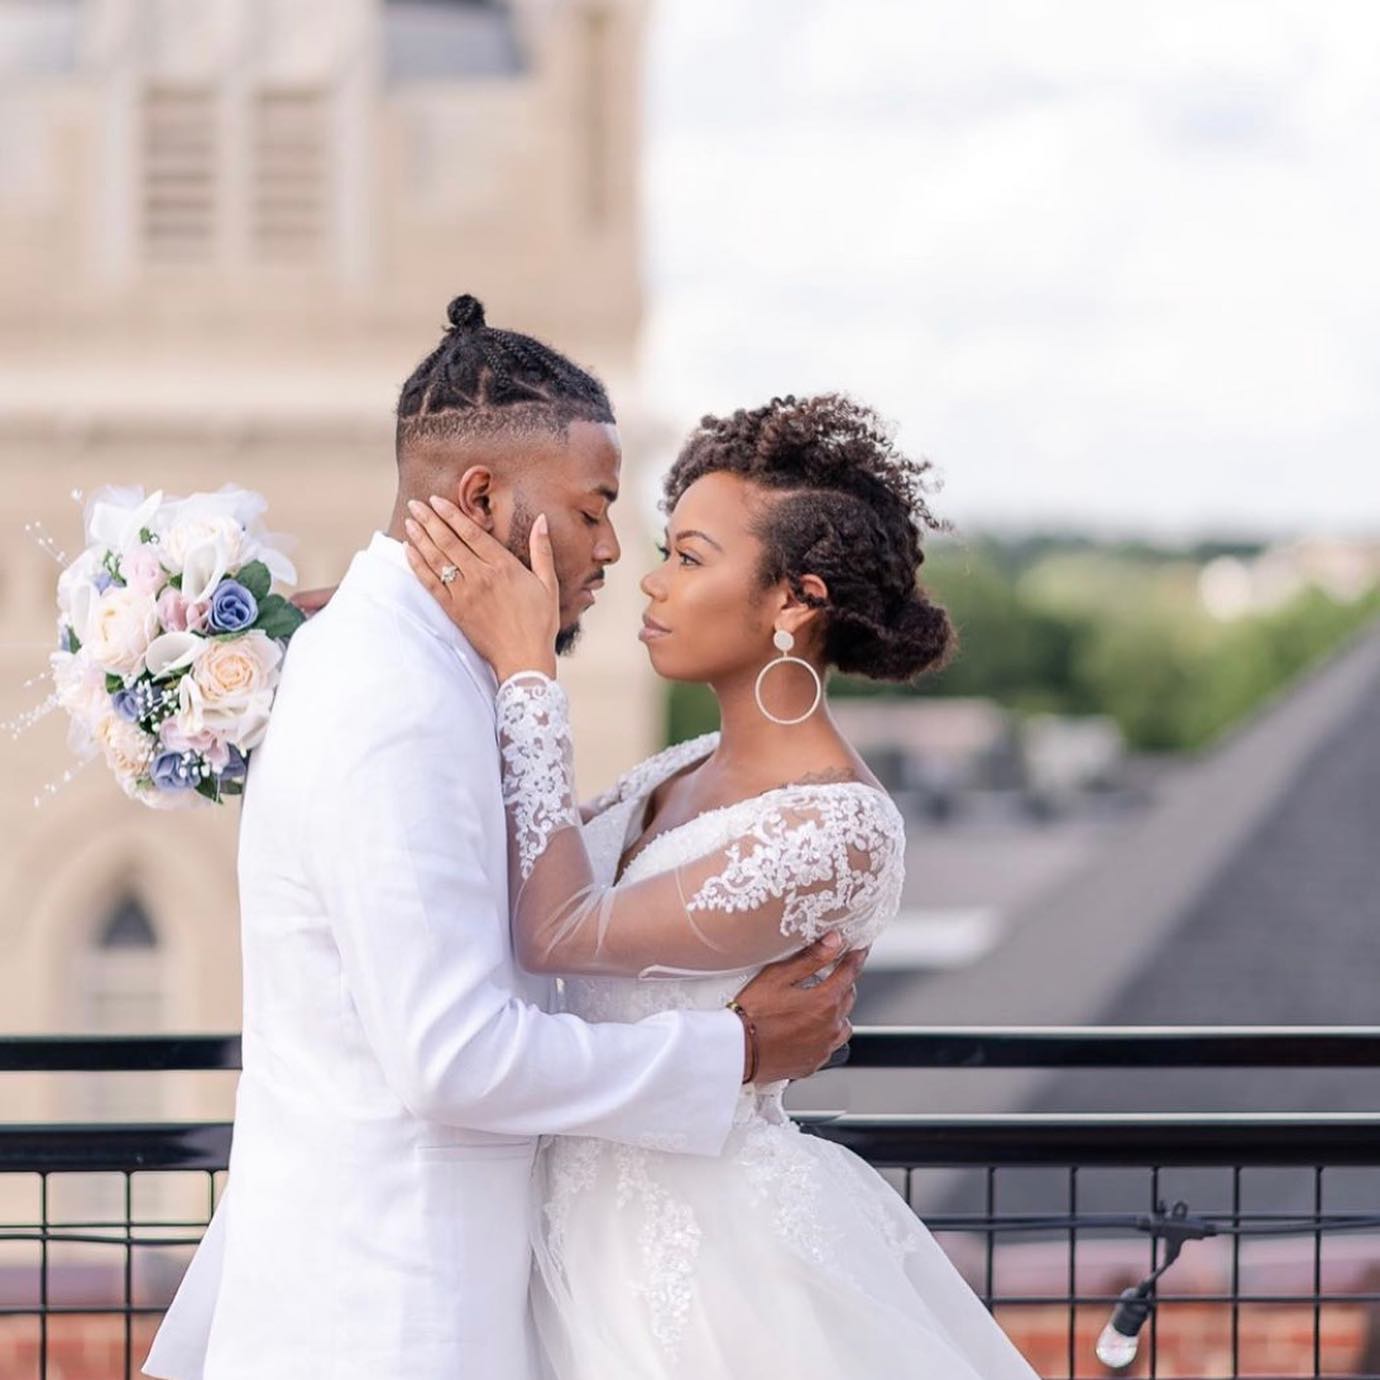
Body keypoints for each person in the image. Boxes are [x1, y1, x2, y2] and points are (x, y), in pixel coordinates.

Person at [141, 298, 859, 1380]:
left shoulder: (402, 657)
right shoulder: (397, 699)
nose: (616, 549)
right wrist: (736, 1053)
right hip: (394, 1309)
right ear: (482, 498)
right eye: (594, 506)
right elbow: (453, 1056)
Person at [404, 390, 1042, 1378]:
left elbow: (560, 930)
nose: (650, 584)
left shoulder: (838, 826)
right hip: (561, 1240)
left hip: (712, 1279)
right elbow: (509, 871)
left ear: (795, 600)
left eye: (691, 558)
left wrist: (528, 668)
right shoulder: (677, 768)